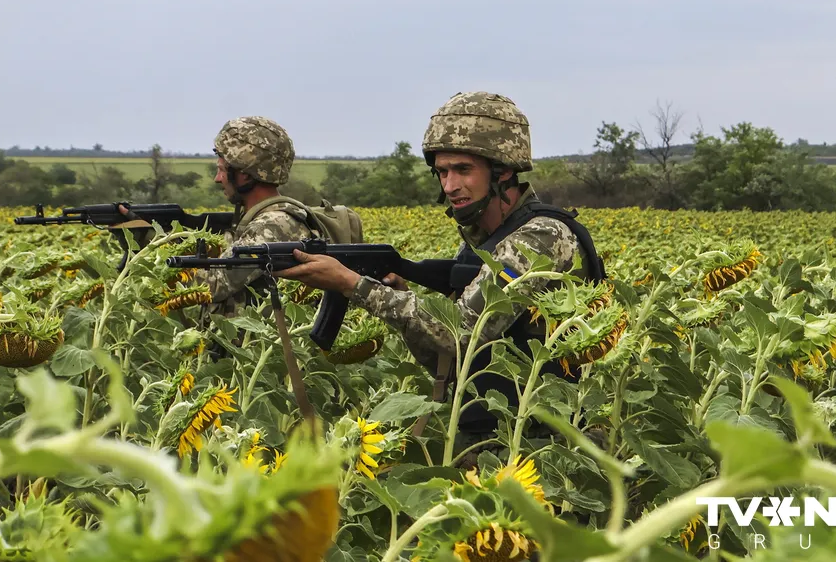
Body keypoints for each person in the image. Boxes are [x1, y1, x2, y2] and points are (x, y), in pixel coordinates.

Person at [272, 91, 604, 466]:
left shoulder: (542, 236)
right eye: (442, 172)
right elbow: (451, 362)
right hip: (491, 442)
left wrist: (354, 285)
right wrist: (397, 295)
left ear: (503, 171)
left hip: (547, 454)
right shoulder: (483, 244)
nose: (449, 186)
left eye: (463, 170)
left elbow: (465, 332)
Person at [123, 116, 330, 316]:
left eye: (222, 170)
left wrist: (147, 240)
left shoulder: (273, 225)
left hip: (257, 350)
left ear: (245, 174)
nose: (217, 178)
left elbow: (212, 284)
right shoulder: (259, 218)